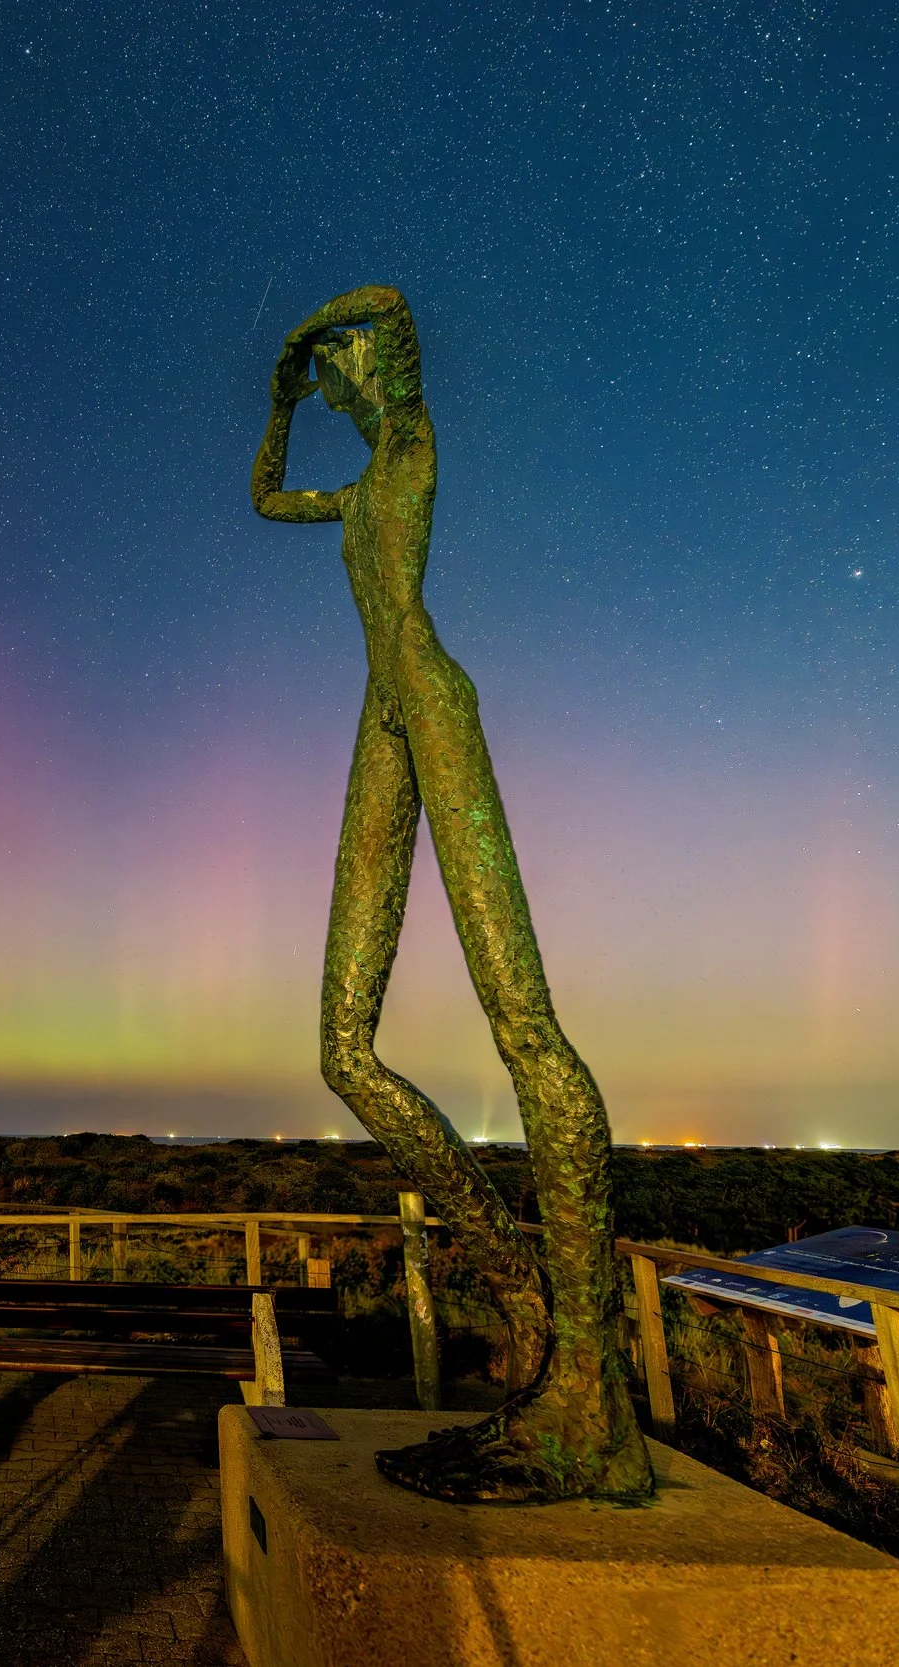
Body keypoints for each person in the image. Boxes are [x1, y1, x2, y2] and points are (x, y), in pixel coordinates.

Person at [253, 285, 650, 1501]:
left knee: (520, 1020)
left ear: (366, 364)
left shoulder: (413, 439)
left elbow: (390, 306)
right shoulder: (357, 489)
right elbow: (267, 497)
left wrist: (310, 330)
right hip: (378, 718)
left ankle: (589, 1395)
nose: (328, 394)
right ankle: (540, 1312)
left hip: (428, 695)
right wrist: (274, 401)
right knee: (343, 1050)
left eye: (333, 376)